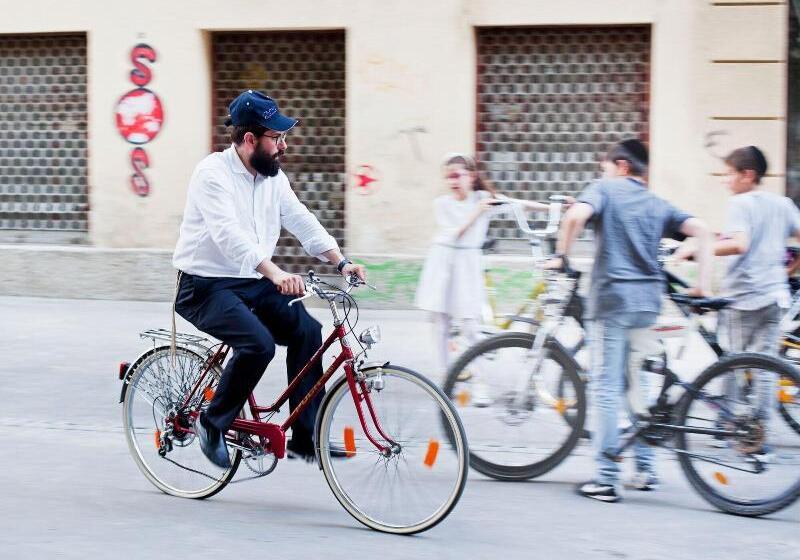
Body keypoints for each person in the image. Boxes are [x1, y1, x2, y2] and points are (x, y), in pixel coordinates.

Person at [172, 90, 366, 468]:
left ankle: (306, 439)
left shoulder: (272, 178)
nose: (283, 145)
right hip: (205, 285)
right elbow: (229, 236)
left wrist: (340, 261)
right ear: (249, 140)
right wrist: (275, 273)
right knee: (258, 345)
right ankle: (212, 424)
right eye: (276, 138)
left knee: (307, 331)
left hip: (250, 281)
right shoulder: (212, 174)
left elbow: (300, 218)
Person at [546, 139, 713, 502]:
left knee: (606, 387)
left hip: (612, 302)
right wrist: (703, 283)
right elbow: (702, 230)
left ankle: (606, 479)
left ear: (621, 165)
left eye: (604, 166)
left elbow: (574, 217)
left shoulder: (605, 188)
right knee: (640, 385)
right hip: (648, 304)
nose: (602, 173)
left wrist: (562, 255)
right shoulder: (656, 202)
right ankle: (646, 470)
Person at [676, 146, 800, 451]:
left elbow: (739, 244)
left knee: (732, 362)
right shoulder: (783, 204)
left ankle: (729, 425)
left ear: (748, 175)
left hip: (744, 297)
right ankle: (759, 432)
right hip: (774, 296)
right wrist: (786, 272)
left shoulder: (741, 203)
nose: (726, 180)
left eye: (731, 173)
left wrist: (698, 249)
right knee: (766, 366)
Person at [414, 153, 553, 406]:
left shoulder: (483, 199)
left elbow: (517, 204)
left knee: (470, 326)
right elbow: (454, 234)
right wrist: (477, 212)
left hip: (467, 266)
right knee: (441, 326)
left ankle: (480, 383)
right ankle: (449, 380)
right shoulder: (442, 204)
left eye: (457, 175)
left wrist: (556, 208)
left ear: (471, 175)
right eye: (448, 177)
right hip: (443, 263)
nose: (452, 181)